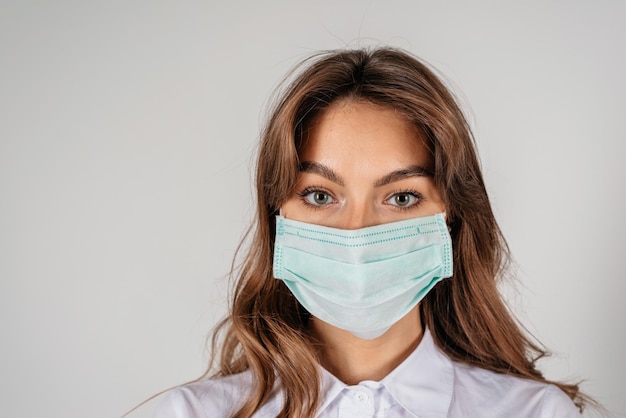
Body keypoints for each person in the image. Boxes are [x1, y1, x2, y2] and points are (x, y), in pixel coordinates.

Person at [152, 47, 589, 417]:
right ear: (276, 213)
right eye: (321, 196)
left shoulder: (534, 413)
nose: (356, 233)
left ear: (450, 217)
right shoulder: (196, 413)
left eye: (401, 198)